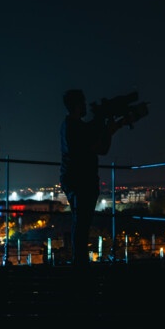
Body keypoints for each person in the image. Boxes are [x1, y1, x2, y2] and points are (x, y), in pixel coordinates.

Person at [60, 89, 120, 267]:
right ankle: (80, 263)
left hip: (73, 178)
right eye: (83, 104)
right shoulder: (76, 127)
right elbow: (100, 149)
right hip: (82, 179)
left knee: (80, 222)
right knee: (82, 223)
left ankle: (79, 261)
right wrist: (107, 130)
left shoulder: (70, 125)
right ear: (78, 106)